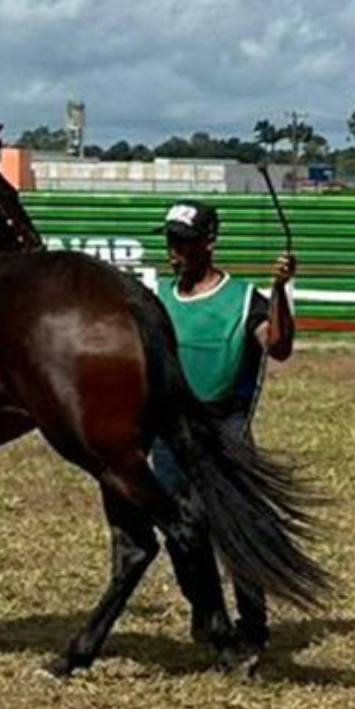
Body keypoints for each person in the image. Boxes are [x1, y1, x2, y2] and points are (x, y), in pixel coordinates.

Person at [151, 200, 297, 652]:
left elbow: (278, 346)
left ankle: (253, 626)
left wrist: (279, 292)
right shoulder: (158, 298)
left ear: (209, 244)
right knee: (179, 528)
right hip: (169, 431)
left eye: (184, 242)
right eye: (171, 240)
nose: (174, 251)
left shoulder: (243, 300)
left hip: (225, 426)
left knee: (239, 528)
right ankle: (206, 611)